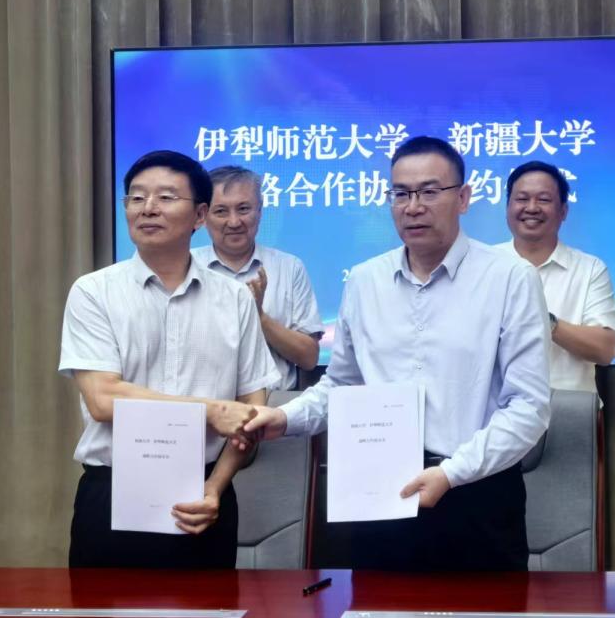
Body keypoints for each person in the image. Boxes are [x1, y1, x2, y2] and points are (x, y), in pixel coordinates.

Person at [241, 136, 552, 571]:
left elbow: (528, 406)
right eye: (401, 194)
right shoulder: (365, 281)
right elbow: (343, 387)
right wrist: (284, 417)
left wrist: (451, 473)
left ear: (463, 198)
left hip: (476, 492)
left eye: (429, 192)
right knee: (378, 603)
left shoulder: (510, 279)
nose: (413, 207)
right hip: (379, 488)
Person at [59, 150, 279, 568]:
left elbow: (251, 410)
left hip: (205, 495)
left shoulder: (234, 298)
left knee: (211, 604)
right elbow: (103, 400)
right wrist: (210, 411)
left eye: (165, 197)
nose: (148, 208)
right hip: (112, 492)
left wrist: (215, 487)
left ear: (199, 215)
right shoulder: (93, 292)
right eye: (136, 197)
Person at [193, 165, 324, 391]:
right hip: (206, 404)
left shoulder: (289, 267)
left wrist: (259, 318)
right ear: (203, 216)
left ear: (260, 211)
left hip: (276, 404)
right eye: (221, 211)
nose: (234, 222)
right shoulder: (186, 267)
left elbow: (309, 358)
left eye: (243, 209)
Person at [496, 160, 615, 396]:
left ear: (563, 211)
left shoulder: (590, 269)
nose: (531, 208)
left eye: (543, 199)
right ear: (507, 208)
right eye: (522, 199)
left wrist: (546, 321)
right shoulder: (483, 265)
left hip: (567, 407)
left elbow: (605, 350)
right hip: (495, 409)